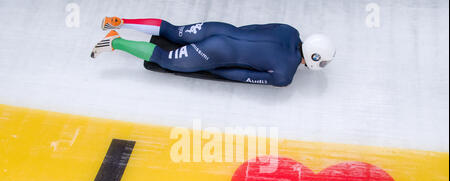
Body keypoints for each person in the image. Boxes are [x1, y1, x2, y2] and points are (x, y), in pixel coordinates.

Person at [91, 17, 336, 87]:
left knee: (173, 31)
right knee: (165, 60)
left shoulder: (290, 30)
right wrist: (213, 67)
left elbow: (252, 27)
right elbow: (240, 76)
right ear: (314, 57)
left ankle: (120, 21)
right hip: (215, 52)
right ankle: (115, 41)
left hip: (220, 29)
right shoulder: (284, 76)